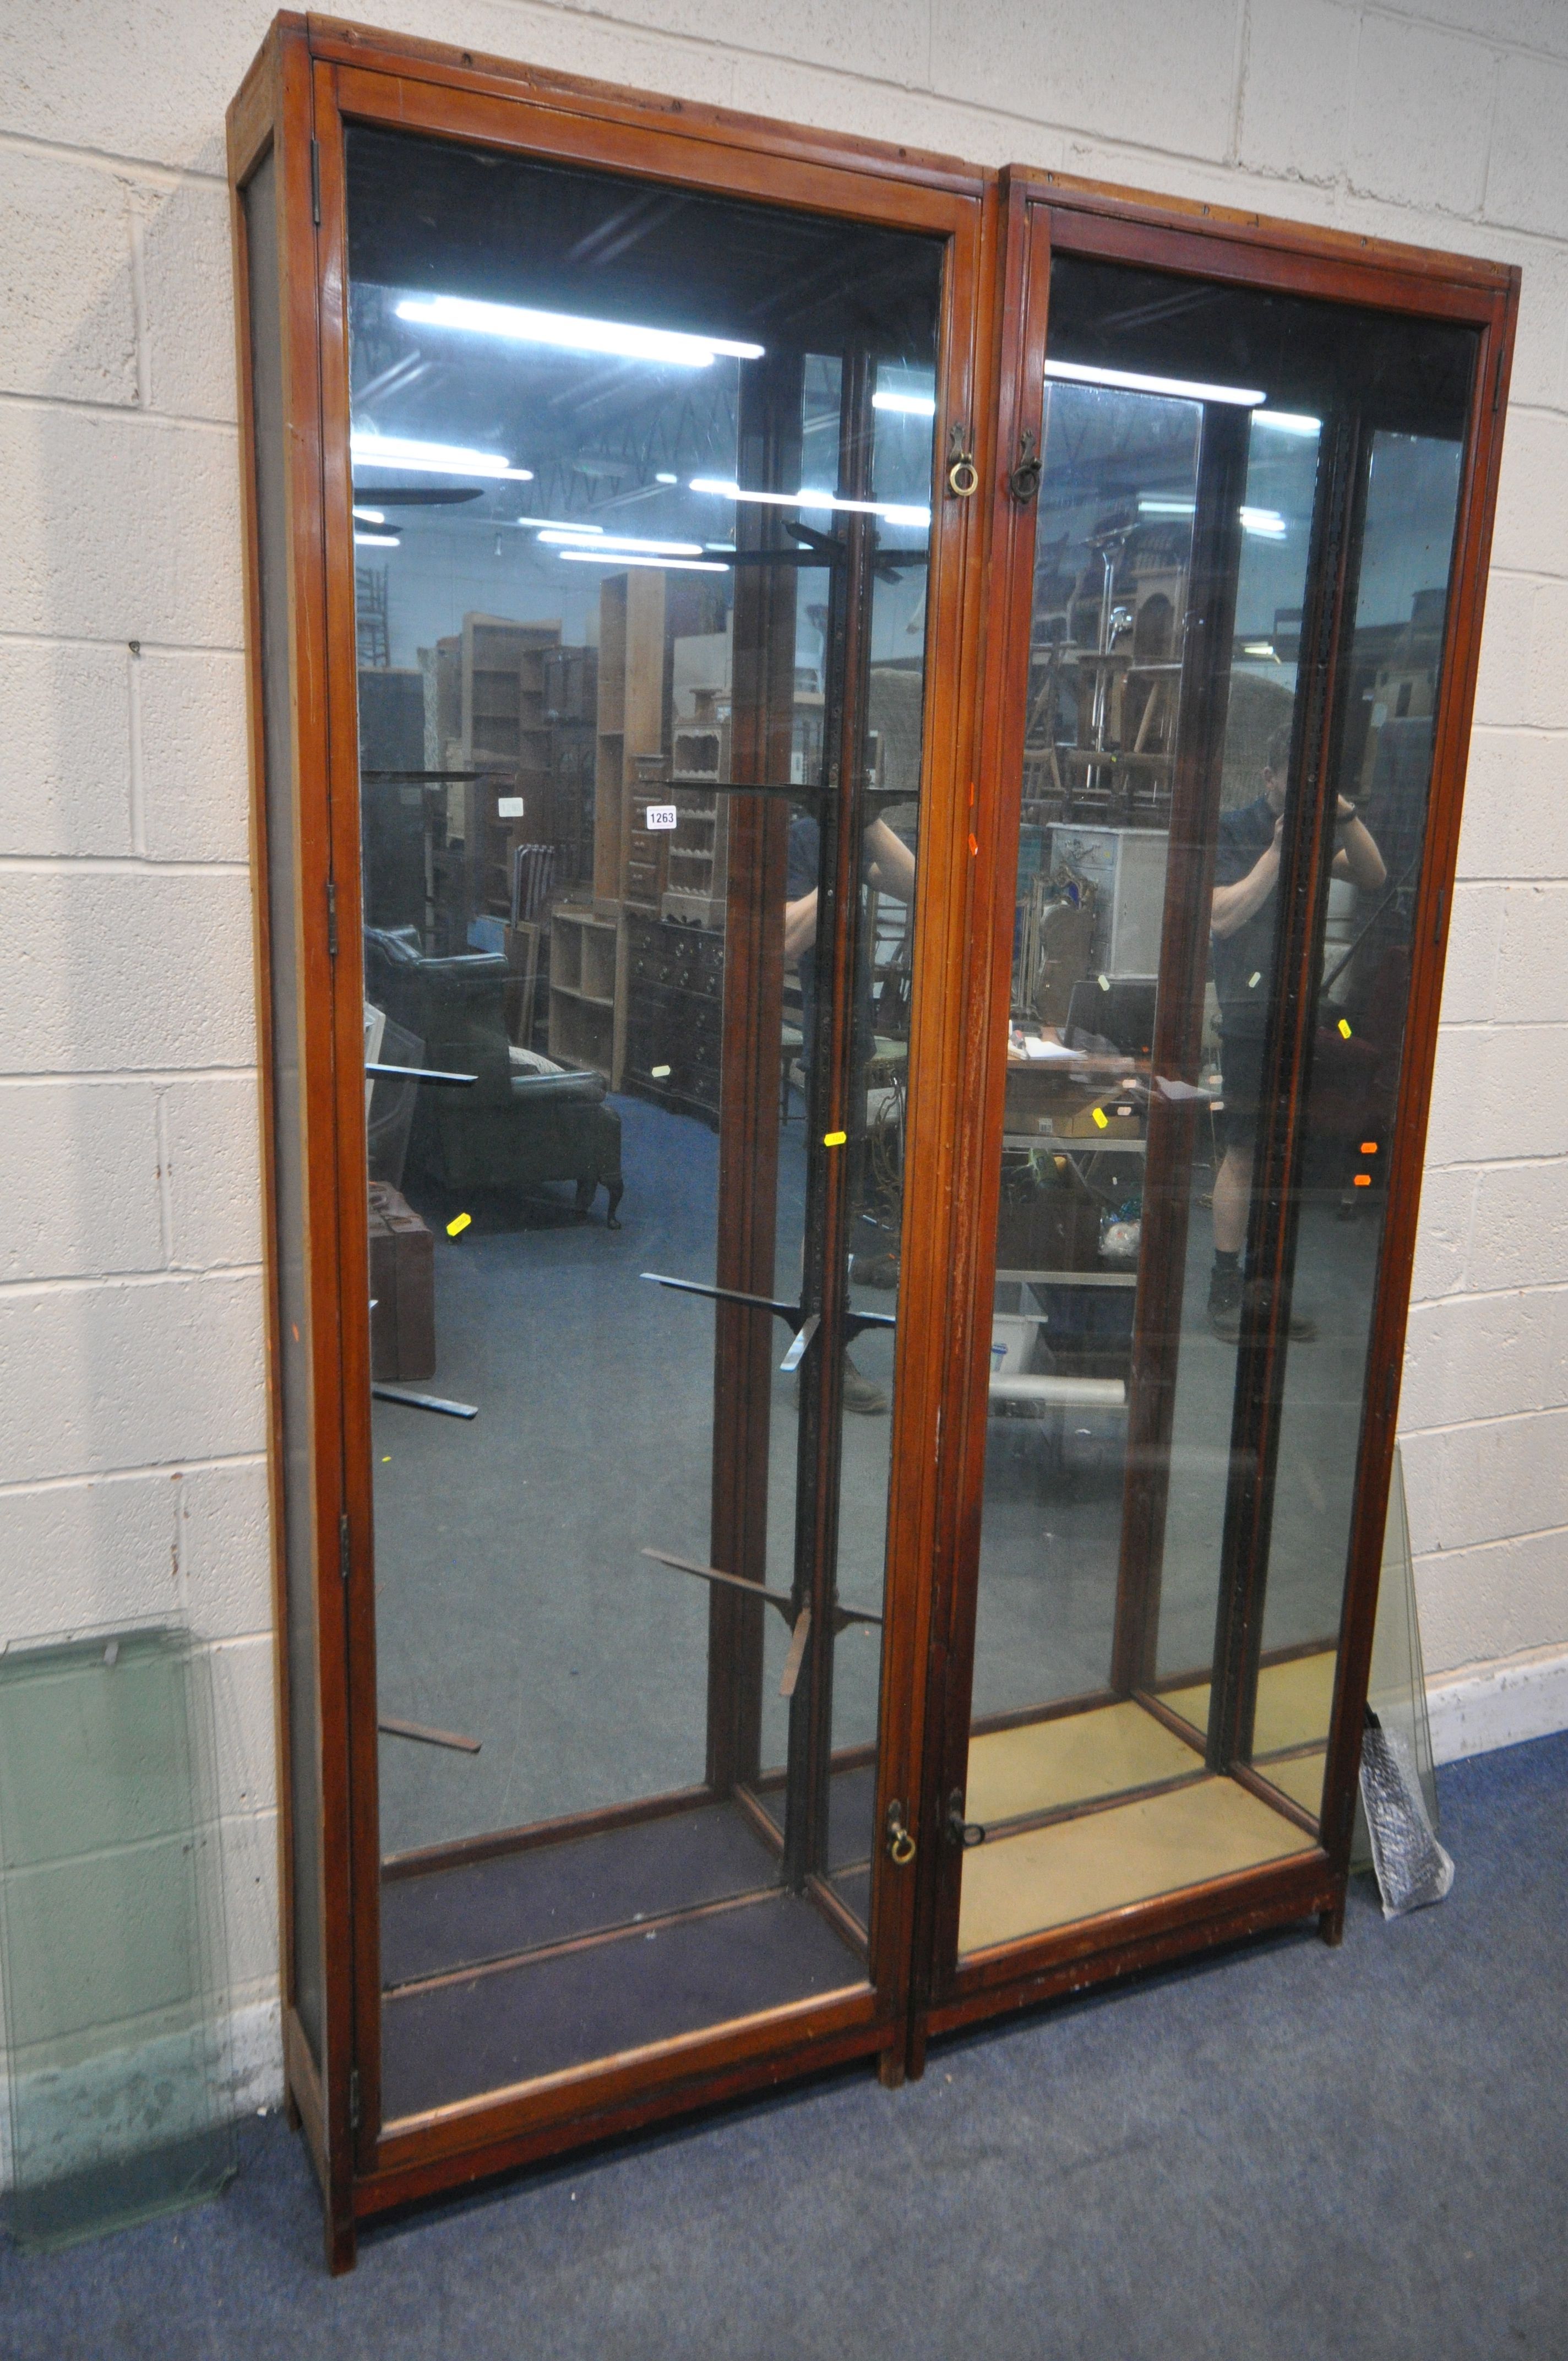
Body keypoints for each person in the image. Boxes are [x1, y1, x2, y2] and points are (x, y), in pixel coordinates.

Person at [1207, 726, 1386, 1342]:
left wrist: (1343, 813)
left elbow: (1372, 874)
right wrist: (1279, 851)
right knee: (1244, 1150)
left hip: (1297, 1013)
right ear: (1269, 778)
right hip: (1249, 1014)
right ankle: (1225, 1288)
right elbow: (1223, 916)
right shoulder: (1235, 829)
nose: (1302, 790)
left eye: (1315, 782)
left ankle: (1268, 1291)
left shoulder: (1320, 829)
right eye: (1294, 779)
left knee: (1285, 1156)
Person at [784, 813, 916, 1413]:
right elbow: (787, 936)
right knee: (828, 1204)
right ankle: (824, 1356)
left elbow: (918, 882)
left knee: (843, 1194)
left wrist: (865, 820)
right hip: (822, 1051)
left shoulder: (836, 834)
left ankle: (830, 1322)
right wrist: (840, 874)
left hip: (848, 1047)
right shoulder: (798, 836)